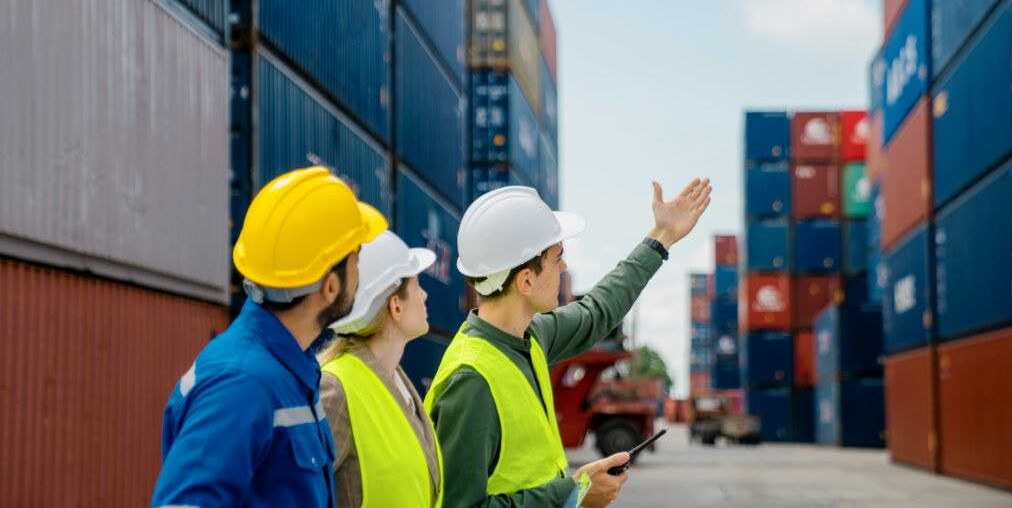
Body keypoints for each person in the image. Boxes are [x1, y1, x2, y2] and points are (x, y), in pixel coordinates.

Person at [426, 179, 711, 508]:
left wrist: (661, 237)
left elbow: (596, 311)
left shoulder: (529, 337)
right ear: (527, 280)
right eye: (557, 257)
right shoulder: (470, 381)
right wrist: (573, 493)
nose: (564, 267)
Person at [151, 166, 387, 508]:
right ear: (330, 285)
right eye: (356, 258)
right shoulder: (242, 385)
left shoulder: (291, 371)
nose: (359, 271)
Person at [318, 230, 444, 508]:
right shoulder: (335, 388)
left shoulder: (398, 381)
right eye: (417, 285)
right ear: (395, 306)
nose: (424, 295)